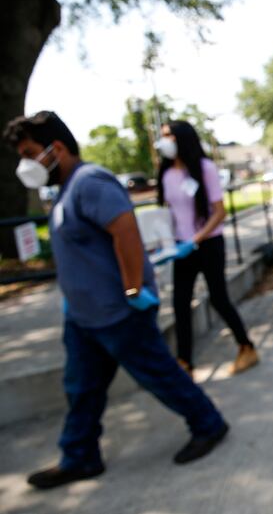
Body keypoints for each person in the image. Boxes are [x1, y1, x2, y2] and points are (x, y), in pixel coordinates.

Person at [4, 112, 229, 490]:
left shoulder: (90, 182)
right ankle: (79, 457)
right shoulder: (65, 189)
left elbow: (125, 229)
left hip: (119, 313)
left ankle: (209, 425)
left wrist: (131, 289)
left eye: (29, 153)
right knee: (81, 389)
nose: (25, 164)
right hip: (83, 318)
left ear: (56, 148)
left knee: (159, 374)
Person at [155, 120, 258, 377]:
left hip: (208, 243)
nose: (164, 141)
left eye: (169, 136)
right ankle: (185, 362)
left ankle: (246, 346)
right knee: (180, 304)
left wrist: (196, 239)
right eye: (162, 136)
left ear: (182, 138)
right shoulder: (166, 174)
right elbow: (168, 213)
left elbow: (219, 211)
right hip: (181, 248)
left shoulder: (205, 169)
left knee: (218, 297)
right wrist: (165, 243)